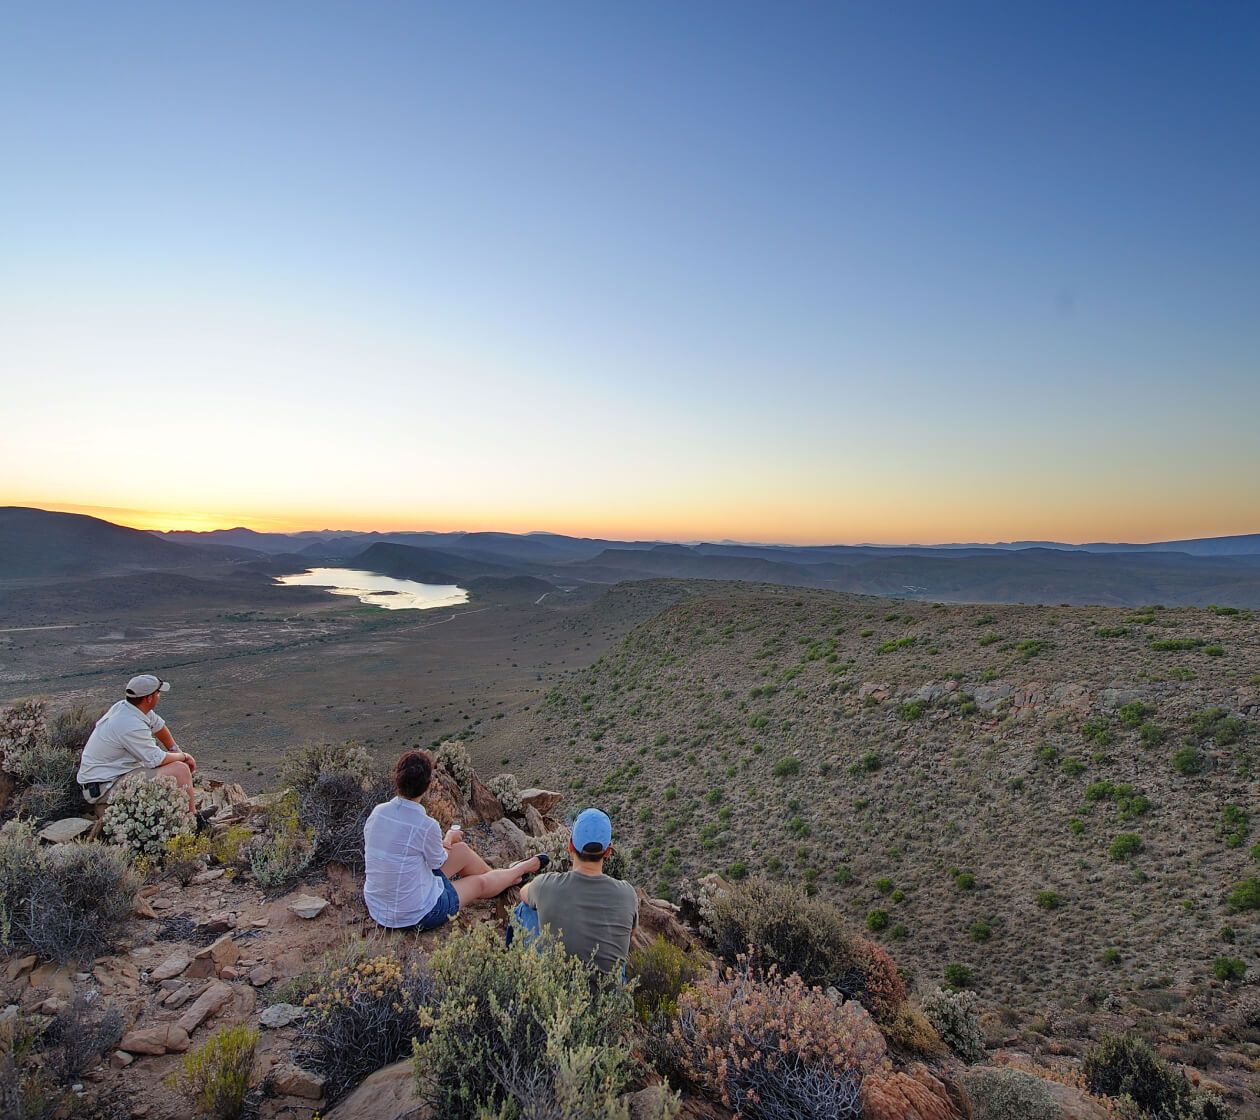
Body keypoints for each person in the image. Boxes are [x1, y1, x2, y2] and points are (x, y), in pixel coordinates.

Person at [363, 749, 547, 931]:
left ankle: (501, 878)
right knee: (478, 884)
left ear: (398, 779)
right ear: (428, 786)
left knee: (462, 850)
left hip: (379, 907)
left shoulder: (378, 813)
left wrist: (448, 840)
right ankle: (516, 871)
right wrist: (448, 838)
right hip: (418, 914)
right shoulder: (425, 825)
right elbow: (436, 862)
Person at [512, 807, 639, 974]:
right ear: (608, 851)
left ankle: (517, 970)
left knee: (525, 909)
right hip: (609, 996)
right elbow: (631, 933)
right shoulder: (628, 894)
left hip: (559, 994)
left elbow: (523, 893)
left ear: (570, 845)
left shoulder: (546, 885)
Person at [77, 674, 199, 813]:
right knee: (180, 770)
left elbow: (158, 726)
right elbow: (156, 760)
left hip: (111, 777)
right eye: (158, 693)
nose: (159, 696)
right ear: (149, 698)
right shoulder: (130, 724)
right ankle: (194, 819)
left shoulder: (126, 707)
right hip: (103, 787)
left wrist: (174, 749)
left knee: (174, 764)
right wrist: (184, 756)